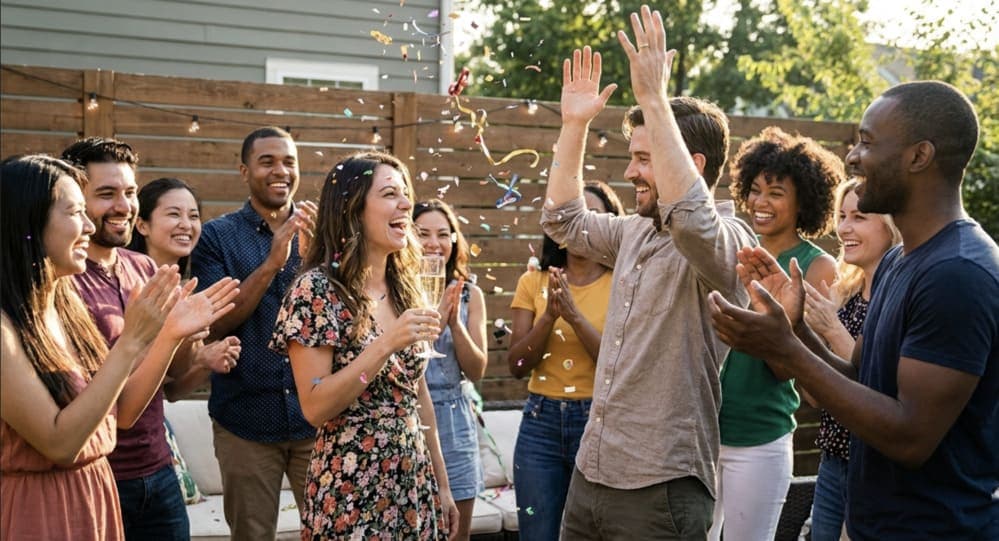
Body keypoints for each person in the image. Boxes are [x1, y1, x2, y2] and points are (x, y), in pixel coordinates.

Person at [708, 80, 998, 540]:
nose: (853, 157)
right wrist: (793, 327)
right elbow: (858, 377)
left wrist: (784, 348)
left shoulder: (957, 272)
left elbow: (911, 437)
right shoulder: (899, 262)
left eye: (866, 142)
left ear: (918, 156)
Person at [542, 8, 757, 538]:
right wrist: (574, 126)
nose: (630, 171)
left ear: (694, 164)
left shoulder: (730, 245)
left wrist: (655, 100)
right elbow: (562, 220)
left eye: (644, 158)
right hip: (592, 474)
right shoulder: (636, 230)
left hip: (662, 488)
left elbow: (691, 219)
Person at [0, 155, 237, 540]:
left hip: (98, 493)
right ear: (29, 220)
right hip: (40, 510)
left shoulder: (63, 308)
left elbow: (122, 412)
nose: (90, 226)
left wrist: (171, 333)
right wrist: (133, 340)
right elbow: (60, 444)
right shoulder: (5, 328)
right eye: (77, 211)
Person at [269, 151, 460, 539]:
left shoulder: (405, 287)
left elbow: (416, 390)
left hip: (412, 484)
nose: (406, 203)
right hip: (351, 489)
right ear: (353, 209)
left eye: (405, 192)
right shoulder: (316, 291)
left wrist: (441, 483)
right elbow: (315, 407)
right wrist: (387, 342)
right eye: (390, 193)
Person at [709, 127, 841, 541]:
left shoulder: (816, 267)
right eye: (754, 189)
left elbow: (801, 368)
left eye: (776, 193)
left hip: (758, 439)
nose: (759, 203)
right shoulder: (730, 248)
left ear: (804, 200)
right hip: (701, 432)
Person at [189, 126, 318, 540]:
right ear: (244, 171)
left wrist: (317, 262)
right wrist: (271, 264)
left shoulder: (322, 232)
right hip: (244, 422)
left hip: (316, 418)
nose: (280, 171)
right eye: (267, 162)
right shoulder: (216, 237)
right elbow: (216, 321)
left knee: (332, 532)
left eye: (288, 162)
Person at [508, 180, 624, 540]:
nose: (581, 227)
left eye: (593, 216)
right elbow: (517, 366)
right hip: (539, 424)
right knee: (537, 532)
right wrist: (548, 318)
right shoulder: (534, 281)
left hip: (599, 423)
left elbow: (618, 366)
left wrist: (574, 317)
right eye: (572, 216)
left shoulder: (623, 283)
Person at [802, 178, 900, 540]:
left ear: (891, 225)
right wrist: (799, 330)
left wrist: (829, 329)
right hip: (832, 464)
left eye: (858, 217)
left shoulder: (901, 297)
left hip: (878, 471)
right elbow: (816, 396)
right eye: (841, 216)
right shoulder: (843, 296)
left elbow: (879, 383)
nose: (844, 228)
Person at [413, 198, 488, 541]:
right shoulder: (397, 291)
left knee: (457, 532)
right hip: (412, 421)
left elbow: (477, 370)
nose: (434, 243)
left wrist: (455, 325)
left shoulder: (470, 294)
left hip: (456, 424)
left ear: (454, 240)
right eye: (423, 233)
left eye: (443, 234)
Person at [129, 177, 242, 400]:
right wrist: (196, 355)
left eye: (193, 216)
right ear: (142, 225)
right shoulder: (129, 285)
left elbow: (173, 391)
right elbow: (122, 378)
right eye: (174, 214)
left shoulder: (183, 291)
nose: (186, 225)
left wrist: (205, 362)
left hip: (153, 431)